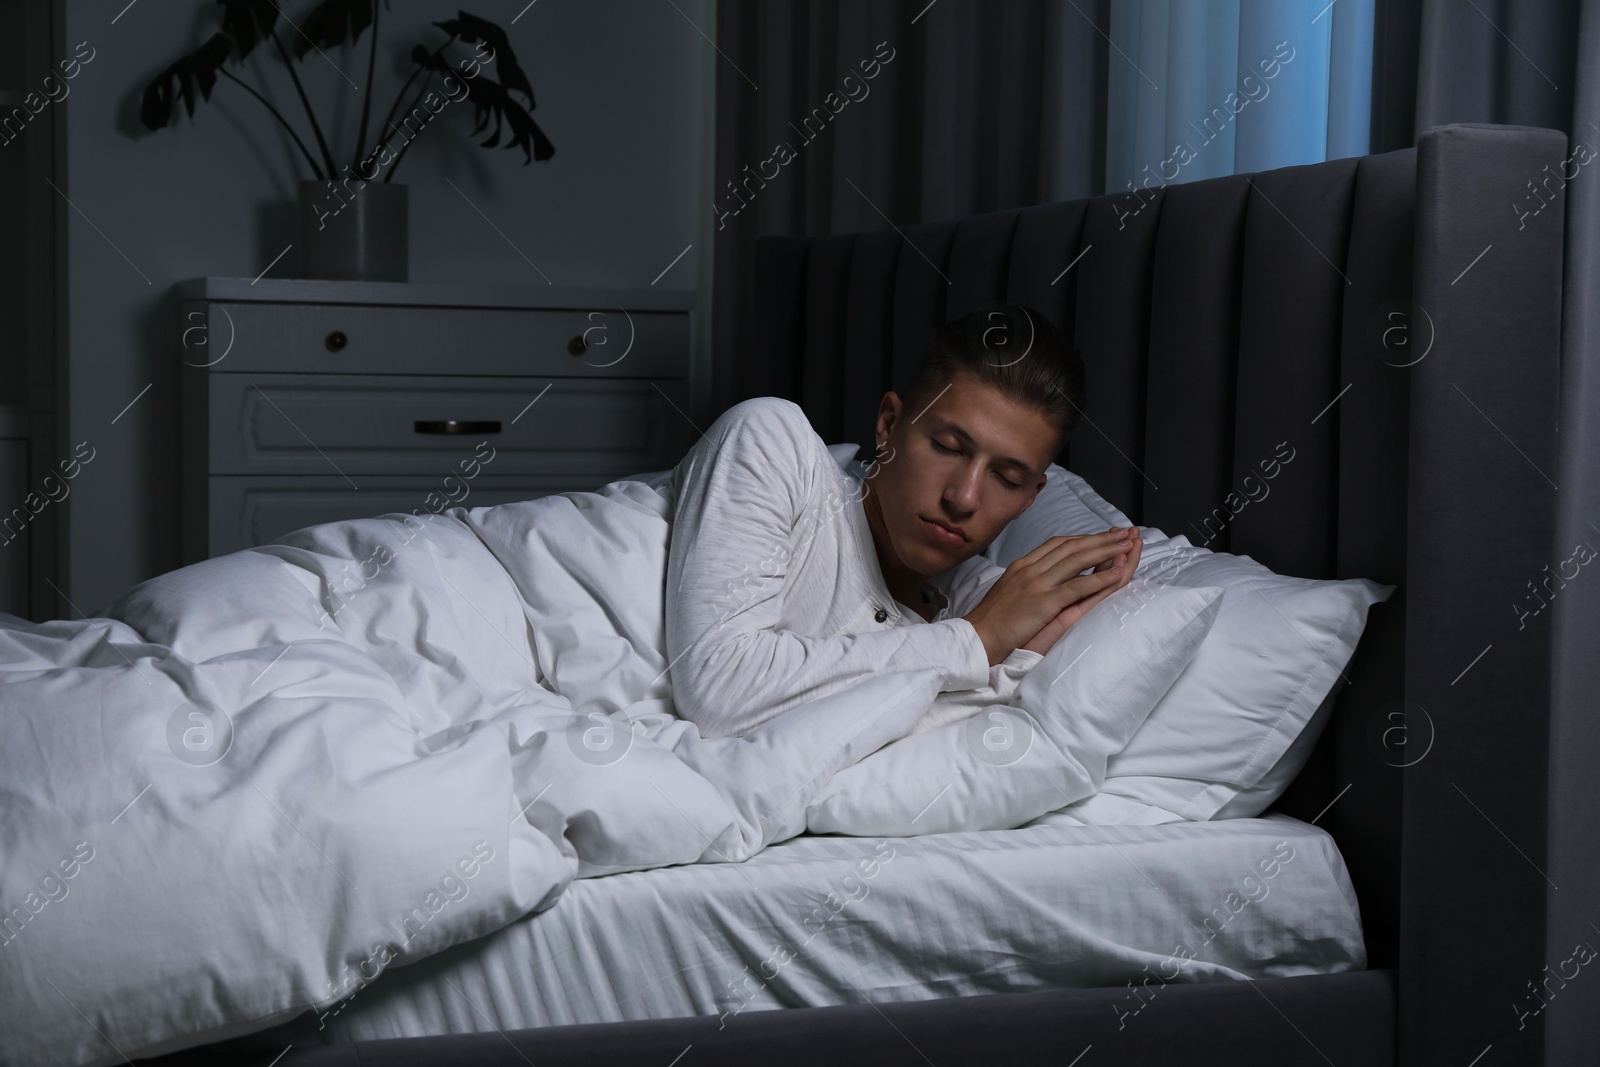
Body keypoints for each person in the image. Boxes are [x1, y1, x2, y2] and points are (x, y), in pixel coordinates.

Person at [664, 302, 1143, 738]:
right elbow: (718, 689)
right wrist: (976, 641)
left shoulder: (969, 609)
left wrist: (1008, 663)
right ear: (889, 425)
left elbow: (872, 757)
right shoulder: (773, 439)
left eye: (1007, 477)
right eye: (946, 447)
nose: (964, 497)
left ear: (1029, 500)